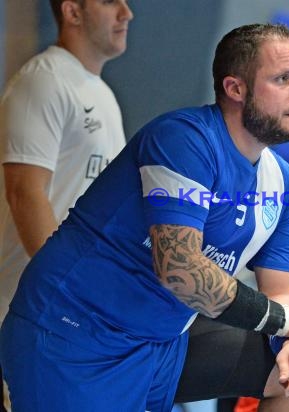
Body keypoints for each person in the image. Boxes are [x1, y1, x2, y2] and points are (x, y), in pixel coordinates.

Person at [0, 23, 289, 412]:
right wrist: (283, 320)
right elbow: (180, 270)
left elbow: (284, 291)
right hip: (73, 332)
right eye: (283, 79)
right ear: (235, 89)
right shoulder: (183, 139)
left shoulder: (282, 182)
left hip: (162, 342)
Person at [0, 0, 133, 410]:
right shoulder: (42, 81)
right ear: (72, 11)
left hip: (79, 316)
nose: (127, 13)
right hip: (36, 312)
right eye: (111, 2)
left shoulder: (104, 96)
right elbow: (25, 194)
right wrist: (69, 290)